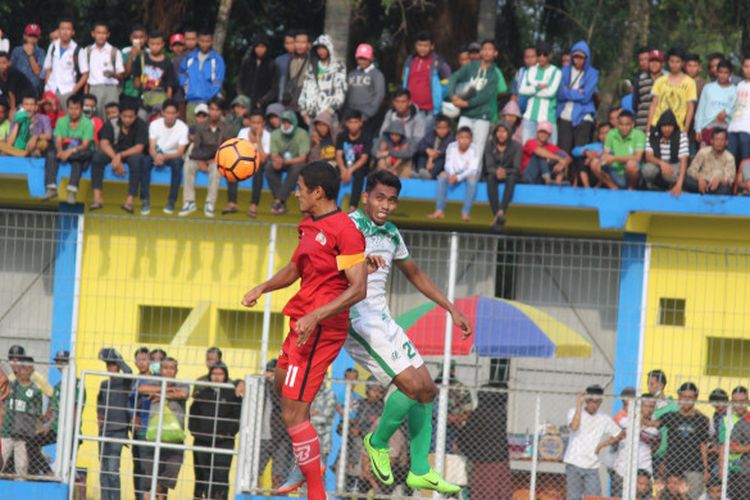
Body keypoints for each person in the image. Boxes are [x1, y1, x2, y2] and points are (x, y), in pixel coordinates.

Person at [338, 170, 472, 493]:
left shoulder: (392, 234)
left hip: (382, 318)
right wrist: (356, 262)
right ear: (366, 197)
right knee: (411, 387)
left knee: (427, 389)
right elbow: (330, 266)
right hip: (356, 320)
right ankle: (377, 441)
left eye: (392, 200)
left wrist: (450, 307)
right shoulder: (348, 226)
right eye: (380, 197)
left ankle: (420, 470)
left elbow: (414, 273)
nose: (385, 205)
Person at [241, 161, 367, 500]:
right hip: (300, 321)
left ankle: (315, 490)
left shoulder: (346, 231)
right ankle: (310, 457)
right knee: (286, 392)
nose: (295, 193)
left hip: (321, 327)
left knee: (293, 411)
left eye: (299, 187)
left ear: (318, 192)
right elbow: (296, 267)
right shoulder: (309, 226)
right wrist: (263, 287)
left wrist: (318, 315)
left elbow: (357, 288)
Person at [138, 357, 189, 500]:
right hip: (154, 437)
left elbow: (183, 393)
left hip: (175, 439)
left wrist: (159, 395)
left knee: (167, 478)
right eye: (165, 368)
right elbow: (142, 388)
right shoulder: (153, 382)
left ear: (176, 370)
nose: (168, 371)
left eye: (172, 368)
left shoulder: (183, 384)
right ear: (160, 370)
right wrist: (166, 389)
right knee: (149, 479)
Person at [189, 362, 242, 500]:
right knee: (205, 474)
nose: (217, 377)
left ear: (225, 375)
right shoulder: (203, 393)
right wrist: (197, 433)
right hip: (203, 441)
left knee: (221, 475)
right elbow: (193, 414)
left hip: (224, 442)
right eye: (214, 374)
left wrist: (228, 433)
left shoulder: (232, 394)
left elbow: (237, 416)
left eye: (220, 374)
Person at [563, 385, 623, 500]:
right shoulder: (574, 411)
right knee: (573, 497)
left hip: (592, 465)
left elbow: (620, 434)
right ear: (586, 399)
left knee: (594, 497)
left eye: (596, 402)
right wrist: (579, 405)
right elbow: (574, 427)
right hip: (574, 462)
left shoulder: (604, 418)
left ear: (601, 401)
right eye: (590, 401)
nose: (593, 405)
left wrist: (602, 445)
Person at [278, 382, 339, 494]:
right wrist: (309, 416)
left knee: (317, 477)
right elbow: (294, 416)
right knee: (303, 477)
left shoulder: (329, 395)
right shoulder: (305, 393)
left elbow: (324, 418)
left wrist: (304, 418)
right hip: (304, 443)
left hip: (321, 444)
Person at [448, 39, 507, 152]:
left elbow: (485, 96)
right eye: (484, 49)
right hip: (465, 115)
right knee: (460, 145)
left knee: (477, 149)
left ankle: (475, 171)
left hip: (482, 116)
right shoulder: (469, 67)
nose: (486, 52)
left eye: (490, 49)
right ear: (481, 52)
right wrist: (453, 96)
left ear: (495, 53)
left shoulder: (494, 74)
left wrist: (465, 103)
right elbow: (454, 78)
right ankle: (457, 170)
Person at [653, 382, 710, 500]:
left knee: (692, 497)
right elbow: (654, 424)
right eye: (684, 397)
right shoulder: (671, 416)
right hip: (673, 467)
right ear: (679, 397)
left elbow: (703, 445)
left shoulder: (702, 419)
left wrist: (705, 468)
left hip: (694, 467)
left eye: (690, 397)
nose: (686, 400)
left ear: (696, 398)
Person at [455, 382, 511, 499]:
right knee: (500, 493)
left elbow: (466, 436)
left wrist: (462, 445)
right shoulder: (500, 411)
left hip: (485, 461)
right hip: (501, 458)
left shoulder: (482, 412)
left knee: (484, 493)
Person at [90, 98, 148, 210]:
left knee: (137, 161)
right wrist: (115, 158)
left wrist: (120, 156)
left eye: (130, 117)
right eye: (124, 116)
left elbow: (139, 147)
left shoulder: (141, 125)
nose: (127, 119)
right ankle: (97, 198)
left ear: (136, 115)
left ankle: (130, 200)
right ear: (120, 114)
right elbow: (104, 143)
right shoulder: (112, 123)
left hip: (131, 153)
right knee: (97, 157)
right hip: (113, 152)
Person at [179, 97, 231, 218]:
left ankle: (210, 203)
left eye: (217, 110)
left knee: (216, 168)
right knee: (188, 165)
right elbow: (196, 147)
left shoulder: (226, 128)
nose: (214, 112)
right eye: (211, 109)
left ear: (222, 112)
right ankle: (189, 202)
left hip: (216, 159)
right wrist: (201, 161)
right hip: (201, 157)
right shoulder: (200, 127)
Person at [42, 94, 94, 203]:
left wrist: (69, 152)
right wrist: (60, 151)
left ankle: (72, 191)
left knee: (79, 157)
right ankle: (51, 188)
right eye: (71, 108)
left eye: (76, 109)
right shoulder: (62, 121)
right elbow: (58, 139)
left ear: (81, 109)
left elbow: (85, 144)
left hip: (79, 150)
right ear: (67, 109)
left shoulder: (88, 123)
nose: (73, 111)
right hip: (65, 147)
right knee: (51, 153)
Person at [97, 348, 133, 500]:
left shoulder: (125, 382)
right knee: (103, 470)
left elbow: (130, 372)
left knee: (112, 469)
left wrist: (118, 359)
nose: (110, 367)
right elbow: (99, 405)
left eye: (112, 364)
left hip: (119, 430)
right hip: (104, 430)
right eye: (108, 365)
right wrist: (100, 422)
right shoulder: (104, 384)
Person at [143, 99, 188, 215]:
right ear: (162, 112)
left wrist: (164, 157)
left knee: (178, 164)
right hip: (157, 154)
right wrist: (156, 156)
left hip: (172, 156)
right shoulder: (154, 124)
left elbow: (180, 152)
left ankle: (172, 201)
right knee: (145, 161)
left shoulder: (183, 127)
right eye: (167, 112)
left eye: (173, 113)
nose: (170, 116)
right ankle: (145, 199)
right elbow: (151, 147)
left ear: (177, 114)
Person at [0, 355, 42, 478]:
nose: (24, 371)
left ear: (32, 370)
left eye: (28, 368)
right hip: (6, 432)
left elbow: (37, 413)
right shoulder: (9, 386)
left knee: (22, 466)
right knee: (1, 461)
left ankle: (20, 488)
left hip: (23, 435)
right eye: (22, 367)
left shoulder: (35, 391)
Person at [610, 394, 660, 497]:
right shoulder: (624, 421)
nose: (649, 409)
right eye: (646, 406)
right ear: (639, 406)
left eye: (652, 406)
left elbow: (655, 446)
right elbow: (613, 438)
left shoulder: (654, 429)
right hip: (623, 471)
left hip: (645, 471)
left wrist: (641, 424)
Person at [428, 126, 480, 220]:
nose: (464, 140)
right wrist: (452, 174)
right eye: (461, 137)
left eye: (467, 138)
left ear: (471, 139)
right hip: (453, 172)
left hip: (467, 173)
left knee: (472, 181)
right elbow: (448, 164)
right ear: (457, 138)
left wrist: (458, 178)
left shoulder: (475, 149)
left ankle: (465, 212)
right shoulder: (451, 146)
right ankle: (439, 210)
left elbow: (473, 169)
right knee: (442, 176)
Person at [225, 109, 270, 217]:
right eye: (253, 122)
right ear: (250, 123)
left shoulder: (267, 135)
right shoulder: (243, 132)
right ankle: (232, 203)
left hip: (259, 163)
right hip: (243, 161)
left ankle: (254, 205)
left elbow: (263, 158)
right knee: (232, 167)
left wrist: (258, 140)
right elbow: (238, 153)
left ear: (263, 123)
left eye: (258, 123)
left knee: (258, 169)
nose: (256, 126)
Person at [557, 41, 598, 158]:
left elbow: (586, 97)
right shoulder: (564, 71)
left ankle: (580, 176)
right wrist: (577, 92)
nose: (578, 60)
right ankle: (562, 176)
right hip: (565, 115)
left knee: (580, 152)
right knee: (563, 152)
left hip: (584, 115)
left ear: (587, 58)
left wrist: (568, 91)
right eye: (575, 56)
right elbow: (559, 94)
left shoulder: (592, 73)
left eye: (581, 57)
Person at [266, 110, 310, 215]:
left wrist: (285, 161)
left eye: (288, 122)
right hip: (281, 161)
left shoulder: (302, 134)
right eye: (284, 122)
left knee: (297, 168)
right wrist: (276, 160)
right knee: (269, 167)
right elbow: (273, 153)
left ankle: (279, 200)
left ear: (294, 123)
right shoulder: (276, 133)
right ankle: (281, 202)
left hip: (295, 162)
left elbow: (303, 158)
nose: (286, 125)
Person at [401, 31, 452, 119]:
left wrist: (438, 97)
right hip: (410, 108)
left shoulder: (438, 62)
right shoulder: (410, 60)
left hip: (429, 110)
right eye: (420, 45)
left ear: (432, 46)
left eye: (425, 46)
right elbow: (405, 80)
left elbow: (449, 82)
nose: (422, 48)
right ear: (415, 46)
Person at [519, 41, 562, 144]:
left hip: (547, 118)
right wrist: (538, 87)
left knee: (549, 152)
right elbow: (521, 90)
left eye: (545, 54)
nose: (541, 57)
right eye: (539, 54)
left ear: (551, 55)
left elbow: (551, 93)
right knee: (527, 149)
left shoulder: (556, 72)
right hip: (529, 117)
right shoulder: (530, 70)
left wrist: (531, 89)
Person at [179, 30, 225, 124]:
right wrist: (186, 87)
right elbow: (182, 72)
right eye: (202, 41)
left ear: (212, 41)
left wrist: (208, 98)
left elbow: (218, 82)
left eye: (207, 41)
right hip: (191, 100)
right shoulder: (190, 58)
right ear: (198, 41)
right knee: (191, 130)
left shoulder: (217, 60)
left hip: (208, 102)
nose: (204, 44)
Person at [590, 110, 645, 189]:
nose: (624, 127)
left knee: (631, 164)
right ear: (618, 124)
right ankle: (613, 187)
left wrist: (614, 158)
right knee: (594, 163)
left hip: (632, 175)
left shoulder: (639, 135)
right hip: (615, 172)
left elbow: (637, 158)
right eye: (621, 124)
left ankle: (631, 189)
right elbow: (605, 154)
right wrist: (603, 158)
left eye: (627, 124)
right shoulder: (611, 133)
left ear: (633, 124)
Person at [299, 34, 347, 123]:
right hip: (311, 117)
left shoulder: (338, 66)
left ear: (329, 48)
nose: (321, 51)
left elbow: (340, 92)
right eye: (318, 48)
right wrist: (303, 112)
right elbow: (304, 90)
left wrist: (329, 111)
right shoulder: (311, 67)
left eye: (324, 48)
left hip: (329, 116)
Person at [648, 48, 697, 134]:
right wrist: (649, 127)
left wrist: (686, 128)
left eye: (677, 61)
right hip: (657, 125)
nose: (674, 64)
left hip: (677, 127)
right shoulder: (660, 81)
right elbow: (653, 104)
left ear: (682, 63)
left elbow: (690, 107)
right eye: (672, 61)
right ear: (668, 62)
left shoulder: (690, 82)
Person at [485, 120, 522, 230]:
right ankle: (498, 214)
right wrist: (496, 171)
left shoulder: (517, 146)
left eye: (504, 131)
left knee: (511, 179)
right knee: (490, 178)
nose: (501, 134)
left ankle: (501, 210)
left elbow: (516, 168)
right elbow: (489, 166)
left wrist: (504, 171)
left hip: (510, 174)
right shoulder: (489, 145)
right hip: (494, 173)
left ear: (509, 133)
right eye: (498, 131)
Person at [81, 22, 123, 118]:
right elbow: (86, 75)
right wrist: (85, 94)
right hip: (94, 88)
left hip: (111, 88)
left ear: (108, 35)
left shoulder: (114, 51)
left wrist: (112, 74)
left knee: (112, 117)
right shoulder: (87, 51)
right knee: (93, 117)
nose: (101, 36)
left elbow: (121, 75)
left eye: (104, 33)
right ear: (93, 34)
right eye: (98, 33)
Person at [643, 110, 690, 195]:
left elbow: (684, 160)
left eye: (669, 126)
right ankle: (651, 187)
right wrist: (662, 163)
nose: (667, 129)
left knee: (671, 174)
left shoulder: (681, 136)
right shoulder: (652, 136)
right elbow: (648, 156)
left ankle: (675, 186)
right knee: (648, 170)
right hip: (657, 162)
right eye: (664, 126)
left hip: (674, 163)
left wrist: (679, 184)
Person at [132, 30, 177, 120]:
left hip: (160, 101)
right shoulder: (141, 59)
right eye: (152, 44)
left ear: (163, 44)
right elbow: (136, 81)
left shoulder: (167, 62)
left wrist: (167, 104)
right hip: (144, 100)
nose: (155, 47)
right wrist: (142, 84)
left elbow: (169, 86)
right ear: (148, 43)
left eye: (158, 44)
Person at [344, 43, 385, 138]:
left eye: (365, 59)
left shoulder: (377, 75)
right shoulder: (352, 74)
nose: (362, 61)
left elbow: (379, 96)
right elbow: (347, 95)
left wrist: (366, 116)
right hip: (351, 117)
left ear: (371, 58)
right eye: (359, 58)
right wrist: (346, 116)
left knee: (364, 142)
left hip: (367, 118)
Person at [43, 18, 86, 106]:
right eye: (62, 29)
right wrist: (47, 85)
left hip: (68, 91)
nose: (65, 32)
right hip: (51, 90)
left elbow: (85, 73)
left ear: (73, 32)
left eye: (68, 29)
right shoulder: (53, 46)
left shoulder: (78, 50)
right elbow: (48, 68)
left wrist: (75, 90)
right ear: (59, 31)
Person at [335, 109, 371, 212]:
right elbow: (338, 154)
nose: (353, 125)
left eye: (356, 122)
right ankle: (333, 203)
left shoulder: (366, 137)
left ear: (360, 123)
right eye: (350, 122)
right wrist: (343, 169)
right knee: (334, 173)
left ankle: (353, 205)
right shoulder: (341, 136)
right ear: (346, 124)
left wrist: (349, 171)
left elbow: (364, 158)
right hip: (344, 164)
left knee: (359, 174)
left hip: (359, 166)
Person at [694, 59, 736, 147]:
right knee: (705, 157)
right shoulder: (708, 88)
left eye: (726, 73)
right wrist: (698, 129)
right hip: (707, 127)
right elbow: (700, 110)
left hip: (726, 130)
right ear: (716, 72)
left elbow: (737, 110)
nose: (723, 75)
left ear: (731, 74)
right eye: (720, 72)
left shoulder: (736, 90)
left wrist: (726, 113)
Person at [684, 128, 735, 195]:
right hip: (702, 182)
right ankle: (705, 192)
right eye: (716, 139)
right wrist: (699, 179)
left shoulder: (729, 157)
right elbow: (691, 170)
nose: (719, 143)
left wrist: (719, 180)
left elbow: (730, 179)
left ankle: (704, 193)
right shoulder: (703, 152)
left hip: (717, 186)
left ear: (726, 142)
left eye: (722, 140)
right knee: (686, 180)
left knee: (725, 190)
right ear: (711, 141)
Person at [521, 121, 571, 185]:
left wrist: (562, 163)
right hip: (529, 177)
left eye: (546, 133)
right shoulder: (530, 142)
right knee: (540, 155)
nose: (543, 134)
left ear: (549, 135)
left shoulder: (551, 146)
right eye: (541, 132)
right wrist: (559, 159)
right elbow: (539, 152)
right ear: (537, 133)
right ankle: (548, 180)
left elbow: (568, 158)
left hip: (541, 178)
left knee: (561, 154)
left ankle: (558, 183)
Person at [130, 346, 151, 500]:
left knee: (146, 467)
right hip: (136, 430)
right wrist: (132, 417)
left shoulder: (156, 379)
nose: (142, 363)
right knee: (137, 466)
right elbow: (129, 402)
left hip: (148, 429)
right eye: (139, 360)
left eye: (145, 359)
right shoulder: (133, 381)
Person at [378, 89, 427, 153]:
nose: (400, 105)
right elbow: (382, 132)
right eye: (397, 102)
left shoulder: (418, 118)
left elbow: (418, 139)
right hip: (390, 146)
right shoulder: (390, 114)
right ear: (393, 102)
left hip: (408, 150)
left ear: (409, 102)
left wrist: (402, 147)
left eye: (403, 102)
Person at [237, 33, 275, 111]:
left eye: (262, 47)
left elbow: (274, 88)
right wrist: (241, 97)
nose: (260, 49)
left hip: (262, 105)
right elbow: (240, 81)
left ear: (267, 48)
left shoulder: (271, 64)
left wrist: (262, 101)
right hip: (245, 103)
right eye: (257, 46)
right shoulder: (247, 62)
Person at [414, 114, 454, 179]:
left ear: (449, 128)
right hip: (429, 156)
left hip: (439, 158)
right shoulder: (431, 134)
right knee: (421, 156)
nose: (442, 131)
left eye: (444, 128)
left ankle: (430, 175)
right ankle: (419, 173)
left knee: (441, 160)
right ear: (435, 128)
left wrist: (433, 157)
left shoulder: (451, 137)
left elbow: (446, 150)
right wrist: (427, 150)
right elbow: (421, 144)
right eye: (439, 128)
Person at [280, 30, 311, 113]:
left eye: (303, 42)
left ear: (309, 44)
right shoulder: (291, 59)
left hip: (305, 107)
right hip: (289, 105)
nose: (299, 45)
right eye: (297, 42)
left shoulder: (312, 61)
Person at [728, 55, 750, 172]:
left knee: (746, 162)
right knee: (730, 160)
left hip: (747, 130)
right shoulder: (740, 85)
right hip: (733, 128)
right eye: (746, 66)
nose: (748, 69)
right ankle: (729, 187)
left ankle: (745, 187)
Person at [10, 24, 45, 95]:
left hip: (34, 87)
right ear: (24, 36)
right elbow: (11, 69)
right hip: (18, 87)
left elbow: (37, 71)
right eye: (30, 36)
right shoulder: (17, 51)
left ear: (39, 38)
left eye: (35, 36)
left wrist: (30, 55)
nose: (32, 39)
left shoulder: (41, 52)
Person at [635, 50, 666, 131]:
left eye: (657, 61)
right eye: (652, 61)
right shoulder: (640, 79)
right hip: (642, 124)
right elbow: (636, 103)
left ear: (663, 64)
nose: (654, 64)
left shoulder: (667, 80)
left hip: (662, 125)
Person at [0, 51, 34, 117]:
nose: (1, 65)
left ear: (9, 63)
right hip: (11, 100)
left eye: (4, 63)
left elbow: (11, 94)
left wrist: (12, 111)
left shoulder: (12, 72)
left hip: (25, 99)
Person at [121, 25, 148, 102]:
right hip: (129, 91)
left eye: (141, 37)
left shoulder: (149, 53)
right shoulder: (125, 52)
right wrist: (131, 57)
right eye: (135, 37)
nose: (138, 40)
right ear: (131, 38)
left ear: (146, 38)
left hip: (145, 91)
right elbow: (125, 74)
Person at [511, 45, 537, 113]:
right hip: (519, 110)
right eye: (527, 57)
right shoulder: (520, 72)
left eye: (532, 57)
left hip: (534, 111)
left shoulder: (541, 72)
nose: (530, 60)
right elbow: (514, 92)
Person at [274, 31, 296, 103]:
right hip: (281, 99)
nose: (289, 45)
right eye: (287, 43)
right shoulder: (279, 60)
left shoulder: (303, 60)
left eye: (292, 42)